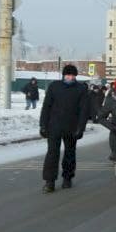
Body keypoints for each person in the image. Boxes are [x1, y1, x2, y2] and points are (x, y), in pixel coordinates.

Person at [39, 64, 90, 193]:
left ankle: (67, 178)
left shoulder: (81, 89)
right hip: (54, 126)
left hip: (72, 128)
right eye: (68, 75)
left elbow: (84, 110)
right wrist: (43, 125)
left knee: (70, 153)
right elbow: (46, 107)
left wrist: (81, 128)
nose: (70, 77)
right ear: (63, 75)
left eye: (72, 75)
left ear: (75, 76)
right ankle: (49, 181)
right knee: (52, 153)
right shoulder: (54, 87)